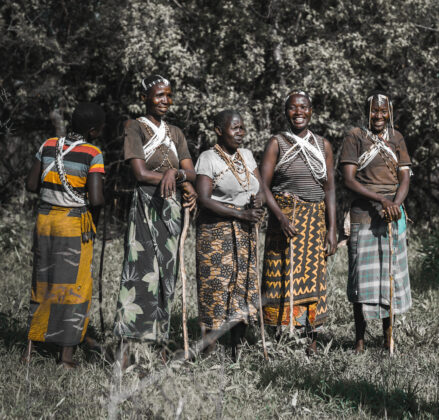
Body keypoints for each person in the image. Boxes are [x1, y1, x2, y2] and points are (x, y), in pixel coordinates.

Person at [113, 75, 197, 356]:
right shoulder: (135, 128)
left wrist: (179, 174)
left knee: (166, 275)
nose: (165, 101)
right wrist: (175, 177)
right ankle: (126, 349)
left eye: (169, 95)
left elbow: (191, 170)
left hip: (171, 211)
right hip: (146, 208)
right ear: (145, 97)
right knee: (139, 273)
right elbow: (139, 173)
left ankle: (158, 345)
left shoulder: (176, 133)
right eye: (159, 95)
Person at [24, 102, 105, 368]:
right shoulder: (93, 153)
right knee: (74, 286)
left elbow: (31, 184)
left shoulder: (48, 145)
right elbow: (95, 199)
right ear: (93, 131)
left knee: (43, 281)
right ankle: (66, 358)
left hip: (45, 221)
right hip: (73, 225)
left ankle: (30, 349)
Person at [260, 90, 336, 355]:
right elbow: (263, 185)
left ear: (311, 110)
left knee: (313, 281)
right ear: (286, 112)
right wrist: (280, 217)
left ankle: (311, 342)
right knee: (280, 278)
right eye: (293, 108)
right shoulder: (277, 143)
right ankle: (279, 340)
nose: (299, 112)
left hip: (315, 222)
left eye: (303, 107)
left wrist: (332, 229)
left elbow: (329, 190)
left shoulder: (323, 145)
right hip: (285, 220)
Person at [340, 90, 412, 353]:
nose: (379, 115)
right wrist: (381, 201)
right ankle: (359, 341)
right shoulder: (354, 136)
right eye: (374, 110)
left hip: (392, 214)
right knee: (361, 279)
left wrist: (394, 203)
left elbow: (405, 177)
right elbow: (349, 179)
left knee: (388, 277)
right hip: (363, 216)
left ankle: (387, 339)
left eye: (383, 111)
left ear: (389, 112)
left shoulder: (397, 138)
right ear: (366, 111)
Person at [195, 109, 264, 360]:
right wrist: (240, 214)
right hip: (216, 233)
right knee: (216, 288)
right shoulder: (208, 158)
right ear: (218, 130)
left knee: (242, 287)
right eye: (235, 128)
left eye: (242, 128)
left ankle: (237, 349)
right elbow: (203, 199)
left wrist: (258, 204)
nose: (240, 133)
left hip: (245, 232)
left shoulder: (246, 155)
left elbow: (261, 189)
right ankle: (209, 350)